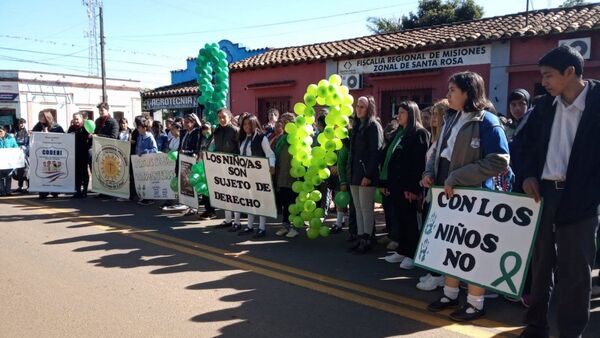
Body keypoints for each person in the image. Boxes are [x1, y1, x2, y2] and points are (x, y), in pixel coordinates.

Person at [519, 45, 600, 338]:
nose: (544, 82)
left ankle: (570, 332)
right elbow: (523, 144)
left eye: (549, 76)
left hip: (582, 201)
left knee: (576, 273)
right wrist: (528, 174)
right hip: (544, 195)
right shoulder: (543, 106)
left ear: (570, 72)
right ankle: (536, 325)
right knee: (540, 265)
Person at [421, 71, 510, 321]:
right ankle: (450, 294)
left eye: (452, 90)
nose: (447, 95)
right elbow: (439, 150)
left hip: (475, 198)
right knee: (449, 246)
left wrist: (457, 177)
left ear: (468, 93)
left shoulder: (488, 121)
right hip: (447, 195)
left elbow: (499, 161)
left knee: (471, 251)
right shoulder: (450, 117)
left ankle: (475, 303)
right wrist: (429, 172)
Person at [379, 101, 429, 270]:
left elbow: (417, 164)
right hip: (395, 185)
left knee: (410, 221)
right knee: (399, 218)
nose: (398, 116)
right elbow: (389, 159)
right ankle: (402, 249)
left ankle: (412, 253)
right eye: (398, 112)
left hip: (408, 187)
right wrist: (385, 182)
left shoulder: (419, 133)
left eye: (402, 112)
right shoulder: (399, 133)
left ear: (412, 114)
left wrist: (414, 189)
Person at [416, 98, 450, 292]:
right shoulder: (434, 138)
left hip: (440, 192)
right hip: (432, 191)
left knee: (438, 234)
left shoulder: (446, 138)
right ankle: (435, 271)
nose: (434, 119)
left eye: (438, 114)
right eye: (434, 114)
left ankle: (439, 275)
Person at [348, 95, 384, 254]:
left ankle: (367, 239)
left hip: (365, 175)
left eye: (362, 106)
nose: (358, 109)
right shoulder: (357, 126)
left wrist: (368, 175)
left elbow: (376, 153)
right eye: (357, 106)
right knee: (357, 209)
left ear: (369, 109)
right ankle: (360, 237)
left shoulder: (373, 126)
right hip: (355, 174)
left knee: (366, 209)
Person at [236, 114, 276, 238]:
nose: (246, 126)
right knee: (249, 200)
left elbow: (270, 154)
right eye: (244, 124)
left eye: (249, 124)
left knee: (260, 200)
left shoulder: (261, 138)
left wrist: (272, 166)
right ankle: (249, 226)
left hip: (259, 174)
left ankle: (262, 228)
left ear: (254, 124)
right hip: (245, 173)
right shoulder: (243, 138)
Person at [213, 108, 241, 230]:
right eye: (219, 117)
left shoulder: (235, 131)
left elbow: (240, 149)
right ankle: (228, 219)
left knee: (235, 195)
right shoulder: (217, 131)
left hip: (234, 166)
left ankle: (237, 221)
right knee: (225, 193)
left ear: (230, 117)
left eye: (224, 117)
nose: (221, 119)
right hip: (221, 166)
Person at [272, 113, 299, 238]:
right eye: (283, 121)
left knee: (293, 201)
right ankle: (285, 225)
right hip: (282, 175)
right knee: (284, 202)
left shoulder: (297, 138)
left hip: (293, 176)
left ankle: (295, 226)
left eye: (287, 121)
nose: (284, 124)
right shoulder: (281, 139)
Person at [32, 109, 65, 199]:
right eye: (39, 116)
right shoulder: (39, 125)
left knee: (54, 171)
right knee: (43, 172)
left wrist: (48, 134)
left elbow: (62, 138)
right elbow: (34, 135)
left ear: (46, 117)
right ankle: (43, 191)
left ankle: (55, 191)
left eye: (41, 116)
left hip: (54, 153)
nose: (39, 118)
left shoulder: (56, 126)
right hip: (43, 153)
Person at [135, 116, 158, 206]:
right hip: (141, 162)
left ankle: (150, 198)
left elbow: (155, 150)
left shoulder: (150, 137)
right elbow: (138, 147)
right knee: (143, 180)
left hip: (149, 163)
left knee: (149, 180)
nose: (138, 129)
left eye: (139, 127)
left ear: (144, 128)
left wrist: (146, 152)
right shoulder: (139, 137)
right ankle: (144, 196)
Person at [67, 113, 91, 198]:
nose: (76, 121)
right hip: (74, 153)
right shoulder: (71, 128)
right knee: (76, 173)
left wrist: (87, 145)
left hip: (84, 153)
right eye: (74, 119)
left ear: (81, 119)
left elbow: (90, 140)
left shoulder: (85, 128)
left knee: (84, 172)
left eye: (77, 119)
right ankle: (77, 191)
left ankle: (85, 191)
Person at [198, 122, 216, 220]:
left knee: (210, 190)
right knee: (204, 189)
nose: (206, 132)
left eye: (207, 129)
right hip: (202, 166)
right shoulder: (203, 139)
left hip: (211, 166)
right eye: (204, 130)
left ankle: (211, 211)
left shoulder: (214, 140)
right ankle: (206, 209)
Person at [0, 125, 18, 196]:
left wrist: (18, 149)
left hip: (9, 162)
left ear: (5, 131)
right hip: (0, 162)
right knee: (0, 177)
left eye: (1, 131)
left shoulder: (11, 139)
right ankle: (2, 191)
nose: (0, 133)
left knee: (8, 176)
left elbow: (16, 147)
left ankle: (8, 191)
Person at [13, 118, 29, 193]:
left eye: (23, 123)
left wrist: (25, 148)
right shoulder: (16, 133)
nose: (21, 124)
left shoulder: (28, 133)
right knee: (19, 170)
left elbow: (29, 143)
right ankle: (20, 186)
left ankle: (29, 186)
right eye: (20, 123)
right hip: (18, 154)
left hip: (26, 154)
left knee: (27, 170)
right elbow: (14, 143)